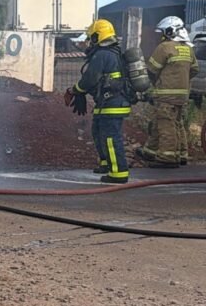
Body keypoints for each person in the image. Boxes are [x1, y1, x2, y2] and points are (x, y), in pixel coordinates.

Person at [65, 19, 131, 183]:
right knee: (97, 131)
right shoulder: (112, 53)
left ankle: (118, 173)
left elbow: (89, 79)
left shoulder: (102, 55)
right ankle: (106, 164)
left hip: (112, 104)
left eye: (90, 37)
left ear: (97, 37)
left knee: (110, 137)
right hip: (108, 103)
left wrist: (74, 91)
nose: (88, 42)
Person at [136, 16, 199, 168]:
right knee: (175, 123)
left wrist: (154, 85)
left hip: (166, 95)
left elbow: (151, 70)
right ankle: (173, 153)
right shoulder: (188, 49)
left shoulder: (164, 48)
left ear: (170, 31)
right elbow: (195, 70)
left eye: (163, 32)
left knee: (166, 125)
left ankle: (167, 157)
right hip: (182, 95)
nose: (162, 36)